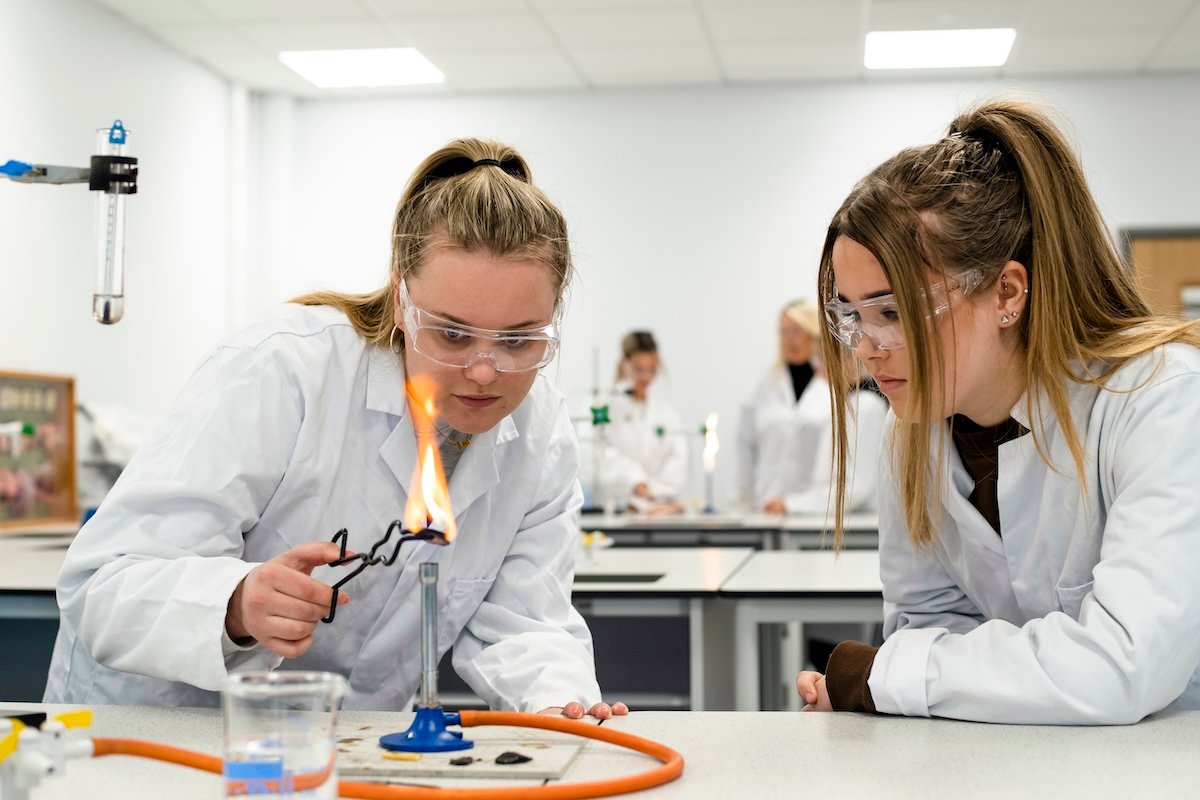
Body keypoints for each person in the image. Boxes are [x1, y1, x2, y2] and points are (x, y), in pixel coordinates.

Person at [45, 138, 627, 721]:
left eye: (519, 340)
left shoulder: (540, 430)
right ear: (402, 301)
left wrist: (563, 707)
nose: (483, 369)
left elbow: (524, 623)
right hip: (157, 739)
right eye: (451, 334)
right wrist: (234, 604)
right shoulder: (284, 368)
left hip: (350, 748)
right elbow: (103, 583)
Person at [796, 98, 1200, 724]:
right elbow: (927, 631)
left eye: (894, 312)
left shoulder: (1160, 399)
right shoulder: (914, 428)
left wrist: (884, 677)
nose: (866, 349)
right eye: (851, 315)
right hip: (1008, 761)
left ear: (1006, 293)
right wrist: (901, 675)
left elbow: (1122, 665)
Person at [737, 300, 886, 515]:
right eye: (783, 332)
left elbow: (855, 486)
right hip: (795, 511)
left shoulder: (864, 406)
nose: (821, 368)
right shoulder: (767, 385)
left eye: (796, 331)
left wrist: (791, 505)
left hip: (841, 521)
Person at [601, 331, 687, 514]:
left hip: (660, 507)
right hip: (618, 509)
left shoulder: (665, 414)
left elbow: (677, 458)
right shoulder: (603, 408)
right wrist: (634, 479)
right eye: (639, 369)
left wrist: (653, 491)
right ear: (624, 364)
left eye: (652, 369)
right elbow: (598, 454)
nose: (646, 377)